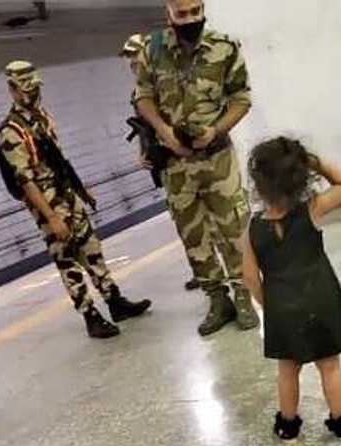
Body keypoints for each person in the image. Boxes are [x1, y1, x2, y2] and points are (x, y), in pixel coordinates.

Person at [0, 60, 151, 339]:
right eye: (26, 88)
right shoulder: (11, 130)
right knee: (68, 260)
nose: (33, 93)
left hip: (68, 195)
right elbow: (25, 180)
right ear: (13, 90)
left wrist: (80, 190)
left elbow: (59, 161)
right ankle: (90, 316)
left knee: (92, 249)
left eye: (35, 86)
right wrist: (52, 217)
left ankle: (114, 301)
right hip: (48, 204)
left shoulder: (41, 117)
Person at [133, 0, 260, 336]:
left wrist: (215, 131)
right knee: (193, 236)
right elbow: (142, 97)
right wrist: (164, 134)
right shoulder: (152, 50)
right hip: (176, 165)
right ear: (168, 13)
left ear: (203, 8)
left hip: (217, 159)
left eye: (194, 12)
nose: (189, 19)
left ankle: (244, 297)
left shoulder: (224, 47)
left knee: (235, 230)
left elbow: (242, 98)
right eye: (181, 14)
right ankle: (217, 299)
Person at [239, 137, 341, 441]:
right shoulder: (312, 209)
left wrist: (269, 304)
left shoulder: (251, 229)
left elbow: (249, 276)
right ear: (301, 178)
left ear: (259, 185)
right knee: (329, 365)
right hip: (321, 299)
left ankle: (288, 425)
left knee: (287, 369)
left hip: (282, 307)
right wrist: (313, 161)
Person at [119, 32, 201, 292]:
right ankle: (202, 270)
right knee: (183, 220)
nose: (132, 64)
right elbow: (146, 127)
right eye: (129, 59)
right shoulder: (138, 92)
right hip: (166, 165)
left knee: (204, 218)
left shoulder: (167, 81)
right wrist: (144, 153)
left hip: (185, 159)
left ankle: (220, 271)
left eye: (134, 57)